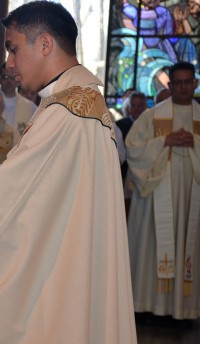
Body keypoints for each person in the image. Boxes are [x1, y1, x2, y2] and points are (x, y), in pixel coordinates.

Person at [0, 2, 136, 343]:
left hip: (60, 271)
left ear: (45, 44)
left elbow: (10, 195)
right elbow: (29, 185)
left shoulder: (66, 113)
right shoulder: (74, 103)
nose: (9, 63)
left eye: (13, 49)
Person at [126, 61, 200, 320]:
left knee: (187, 245)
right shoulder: (153, 115)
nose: (181, 87)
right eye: (176, 82)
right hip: (157, 193)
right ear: (170, 84)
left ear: (195, 84)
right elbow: (133, 146)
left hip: (192, 194)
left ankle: (182, 309)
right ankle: (148, 305)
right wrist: (164, 140)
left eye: (186, 82)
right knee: (153, 245)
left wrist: (195, 142)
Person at [0, 61, 37, 134]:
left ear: (18, 80)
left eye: (12, 78)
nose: (8, 81)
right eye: (5, 77)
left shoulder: (30, 107)